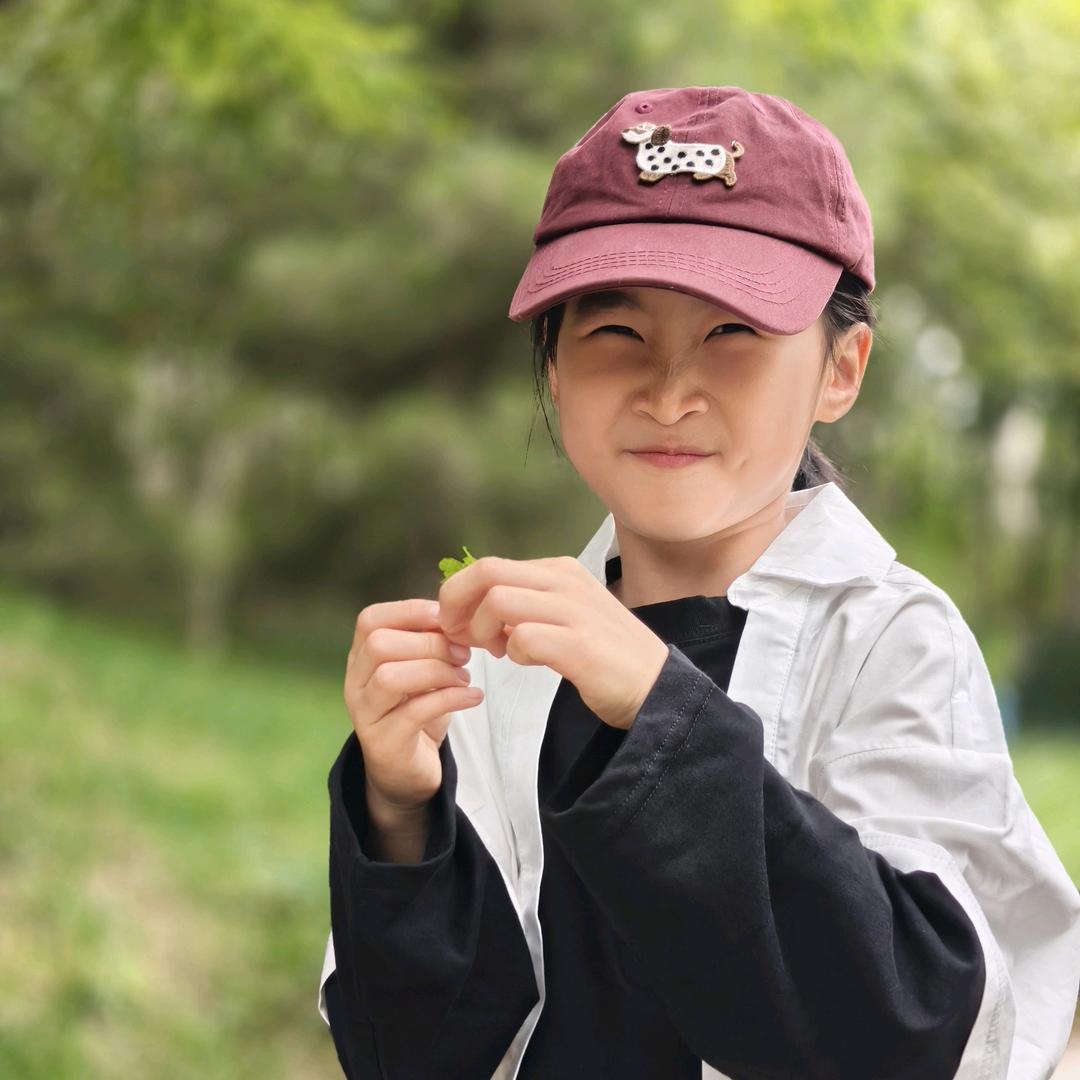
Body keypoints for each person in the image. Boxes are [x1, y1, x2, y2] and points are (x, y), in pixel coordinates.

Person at [315, 86, 1080, 1079]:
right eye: (615, 334)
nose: (670, 391)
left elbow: (918, 1028)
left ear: (841, 368)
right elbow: (417, 1052)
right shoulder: (503, 660)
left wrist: (657, 707)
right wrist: (400, 815)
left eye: (732, 335)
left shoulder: (892, 645)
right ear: (551, 367)